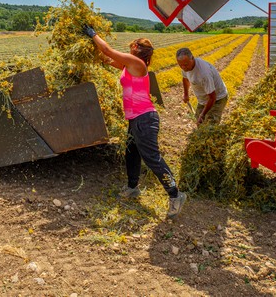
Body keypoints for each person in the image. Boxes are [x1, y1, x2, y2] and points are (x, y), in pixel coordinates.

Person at [83, 24, 187, 219]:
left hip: (145, 118)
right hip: (135, 119)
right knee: (131, 153)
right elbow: (106, 58)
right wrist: (87, 49)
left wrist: (93, 34)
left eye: (133, 45)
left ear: (138, 49)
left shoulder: (137, 64)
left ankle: (176, 195)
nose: (130, 47)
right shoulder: (129, 65)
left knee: (152, 158)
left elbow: (107, 50)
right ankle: (132, 188)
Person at [176, 48, 228, 125]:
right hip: (204, 99)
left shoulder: (204, 74)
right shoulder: (185, 66)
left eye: (186, 65)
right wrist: (186, 94)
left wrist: (203, 114)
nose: (183, 68)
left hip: (217, 98)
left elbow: (212, 97)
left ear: (192, 58)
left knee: (211, 125)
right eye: (181, 65)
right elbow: (185, 78)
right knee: (199, 122)